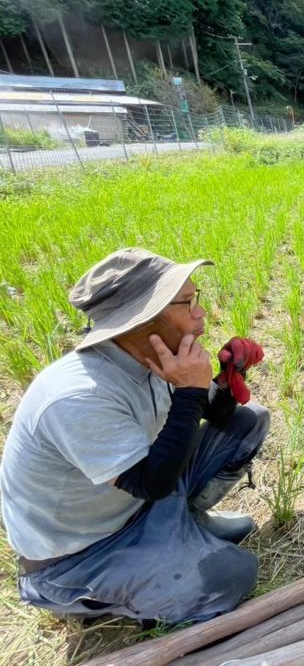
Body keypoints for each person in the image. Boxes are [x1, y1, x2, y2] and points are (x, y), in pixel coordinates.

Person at [0, 249, 270, 625]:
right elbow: (151, 483)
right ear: (143, 320)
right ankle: (132, 576)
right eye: (188, 302)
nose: (201, 313)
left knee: (249, 421)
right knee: (231, 574)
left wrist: (227, 377)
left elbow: (216, 414)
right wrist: (190, 391)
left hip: (136, 502)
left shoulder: (150, 356)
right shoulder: (79, 396)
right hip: (83, 552)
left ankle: (185, 523)